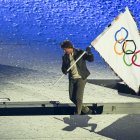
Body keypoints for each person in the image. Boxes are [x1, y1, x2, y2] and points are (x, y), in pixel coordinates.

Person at [60, 40, 94, 115]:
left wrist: (89, 52)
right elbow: (63, 68)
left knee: (78, 98)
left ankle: (77, 114)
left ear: (69, 48)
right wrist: (64, 70)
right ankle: (86, 109)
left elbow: (91, 59)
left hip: (81, 78)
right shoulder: (65, 57)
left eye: (65, 49)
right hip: (72, 79)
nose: (64, 51)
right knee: (72, 97)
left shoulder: (80, 52)